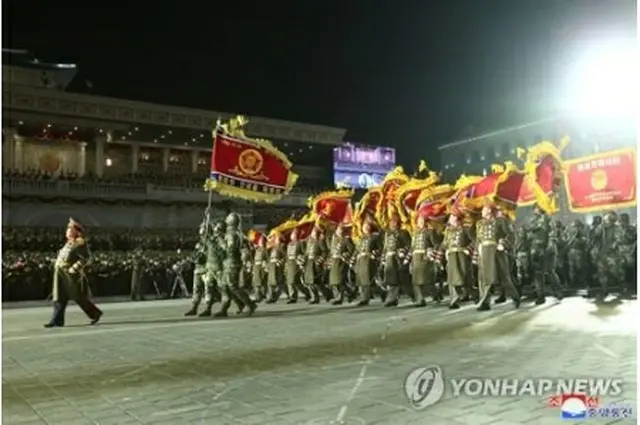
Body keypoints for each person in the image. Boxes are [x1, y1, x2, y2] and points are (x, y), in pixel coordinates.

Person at [44, 218, 103, 328]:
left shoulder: (79, 243)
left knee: (78, 296)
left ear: (76, 231)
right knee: (59, 296)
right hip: (60, 272)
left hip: (70, 274)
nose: (67, 230)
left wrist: (74, 268)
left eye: (70, 228)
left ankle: (95, 314)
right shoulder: (68, 243)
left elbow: (86, 258)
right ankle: (56, 320)